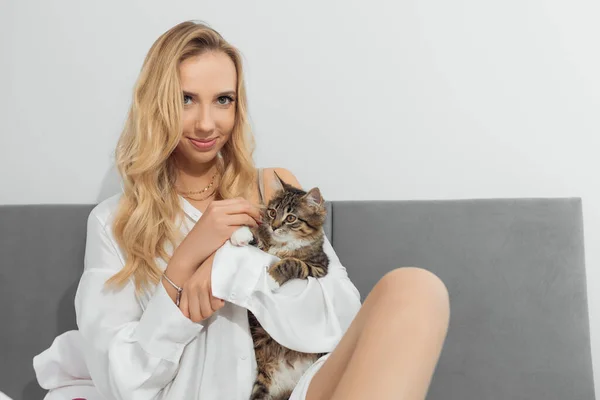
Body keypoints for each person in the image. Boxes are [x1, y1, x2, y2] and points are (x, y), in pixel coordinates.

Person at [37, 21, 450, 400]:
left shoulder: (272, 189)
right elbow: (122, 380)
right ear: (156, 104)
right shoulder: (115, 222)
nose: (205, 123)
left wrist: (229, 271)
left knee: (415, 289)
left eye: (222, 100)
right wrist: (183, 264)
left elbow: (338, 318)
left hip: (295, 386)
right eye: (185, 99)